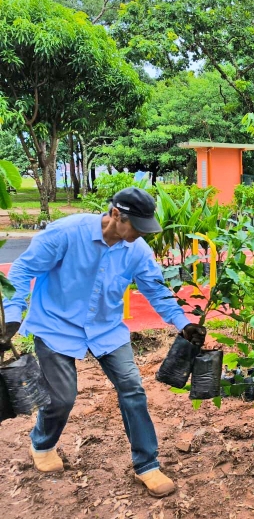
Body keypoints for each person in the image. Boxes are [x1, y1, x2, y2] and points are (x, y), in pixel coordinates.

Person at [0, 188, 206, 498]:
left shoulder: (136, 250)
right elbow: (22, 269)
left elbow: (155, 289)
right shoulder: (66, 233)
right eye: (136, 226)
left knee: (132, 388)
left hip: (105, 329)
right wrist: (12, 314)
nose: (140, 234)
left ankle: (147, 464)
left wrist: (183, 323)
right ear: (115, 215)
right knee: (62, 398)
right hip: (56, 325)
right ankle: (42, 444)